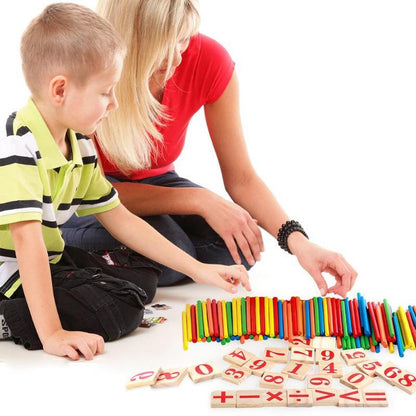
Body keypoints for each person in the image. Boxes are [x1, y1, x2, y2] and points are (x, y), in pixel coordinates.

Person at [0, 3, 250, 361]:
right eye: (105, 93)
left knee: (143, 283)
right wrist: (53, 334)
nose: (114, 103)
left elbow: (121, 218)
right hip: (9, 275)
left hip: (49, 258)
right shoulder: (17, 148)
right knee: (119, 311)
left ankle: (66, 298)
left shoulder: (79, 145)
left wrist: (201, 270)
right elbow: (27, 244)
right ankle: (10, 319)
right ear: (60, 91)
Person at [62, 0, 357, 298]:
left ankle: (166, 261)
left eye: (184, 38)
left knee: (239, 247)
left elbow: (242, 178)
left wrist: (298, 242)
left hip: (157, 184)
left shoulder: (209, 60)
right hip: (84, 197)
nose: (178, 56)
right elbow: (90, 190)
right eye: (166, 42)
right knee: (173, 250)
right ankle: (64, 251)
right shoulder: (93, 69)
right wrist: (198, 199)